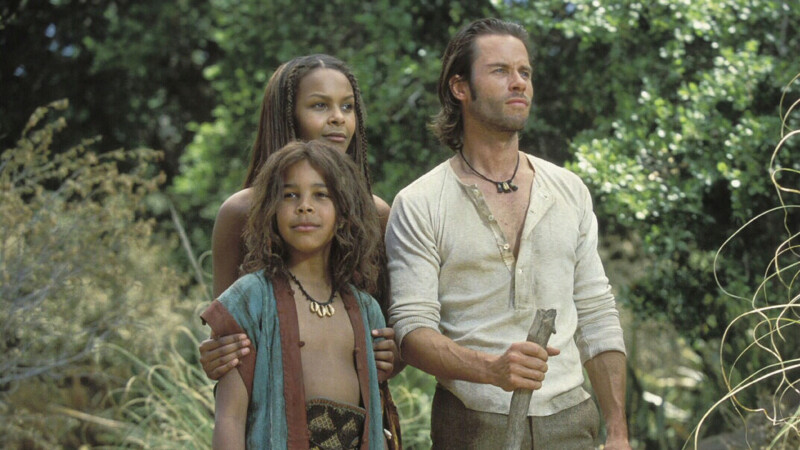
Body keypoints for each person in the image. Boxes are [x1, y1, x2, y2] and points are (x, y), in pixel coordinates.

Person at [385, 18, 631, 449]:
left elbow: (596, 315)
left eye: (525, 72)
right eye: (500, 70)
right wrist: (490, 369)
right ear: (460, 87)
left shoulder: (568, 190)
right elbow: (411, 332)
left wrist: (618, 431)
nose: (519, 83)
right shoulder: (420, 202)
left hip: (572, 422)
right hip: (472, 424)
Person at [198, 54, 402, 447]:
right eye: (320, 105)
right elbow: (229, 338)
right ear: (287, 116)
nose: (338, 118)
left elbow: (388, 341)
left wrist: (395, 356)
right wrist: (215, 352)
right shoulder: (240, 212)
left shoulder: (375, 215)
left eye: (347, 107)